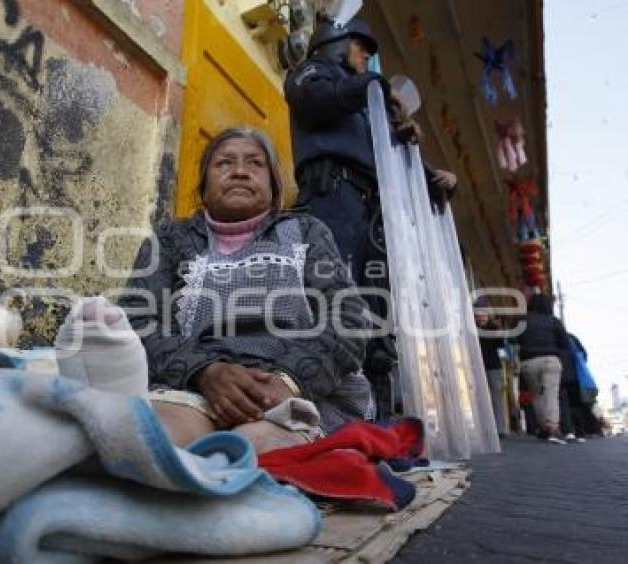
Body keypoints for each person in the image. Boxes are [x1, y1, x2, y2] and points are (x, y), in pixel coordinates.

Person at [118, 127, 373, 454]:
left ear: (272, 184)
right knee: (151, 442)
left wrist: (288, 380)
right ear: (204, 185)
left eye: (255, 164)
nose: (239, 171)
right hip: (195, 385)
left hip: (298, 388)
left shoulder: (306, 231)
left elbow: (348, 319)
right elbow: (138, 319)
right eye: (224, 164)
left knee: (251, 451)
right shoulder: (170, 238)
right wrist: (205, 372)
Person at [283, 16, 458, 410]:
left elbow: (387, 158)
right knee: (333, 304)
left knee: (374, 313)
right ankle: (324, 412)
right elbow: (319, 103)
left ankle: (374, 421)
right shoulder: (311, 73)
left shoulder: (364, 107)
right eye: (363, 49)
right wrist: (377, 88)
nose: (367, 59)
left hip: (371, 211)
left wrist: (433, 175)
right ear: (337, 43)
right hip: (331, 198)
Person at [517, 293, 571, 444]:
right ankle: (553, 427)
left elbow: (515, 339)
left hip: (529, 362)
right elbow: (565, 343)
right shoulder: (554, 321)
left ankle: (544, 428)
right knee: (551, 394)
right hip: (551, 360)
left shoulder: (523, 320)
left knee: (537, 396)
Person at [474, 308, 507, 435]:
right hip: (477, 366)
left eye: (483, 316)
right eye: (478, 316)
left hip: (493, 366)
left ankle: (499, 428)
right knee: (480, 396)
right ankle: (483, 427)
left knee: (496, 397)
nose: (481, 318)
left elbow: (500, 344)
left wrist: (499, 333)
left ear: (488, 316)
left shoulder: (494, 328)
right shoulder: (472, 329)